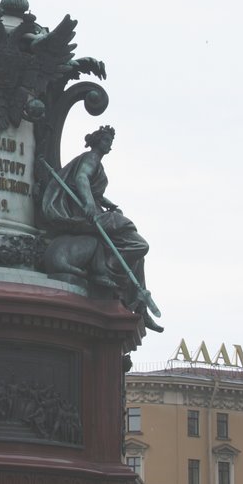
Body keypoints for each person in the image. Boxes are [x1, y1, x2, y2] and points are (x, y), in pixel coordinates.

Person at [41, 125, 162, 332]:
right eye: (107, 141)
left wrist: (106, 202)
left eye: (111, 143)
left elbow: (91, 188)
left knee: (138, 257)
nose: (109, 146)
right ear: (98, 141)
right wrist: (89, 204)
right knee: (138, 242)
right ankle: (110, 267)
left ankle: (139, 307)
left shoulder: (96, 163)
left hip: (94, 209)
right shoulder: (91, 158)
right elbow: (81, 179)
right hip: (87, 215)